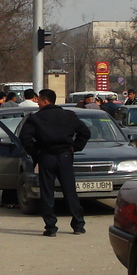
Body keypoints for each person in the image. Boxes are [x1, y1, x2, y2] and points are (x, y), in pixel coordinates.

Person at [19, 90, 90, 236]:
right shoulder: (68, 115)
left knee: (47, 192)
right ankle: (78, 225)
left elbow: (24, 138)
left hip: (46, 156)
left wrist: (35, 152)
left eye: (38, 100)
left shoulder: (35, 118)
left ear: (45, 101)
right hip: (65, 156)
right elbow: (85, 132)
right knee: (70, 190)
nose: (37, 102)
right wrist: (75, 147)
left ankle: (51, 228)